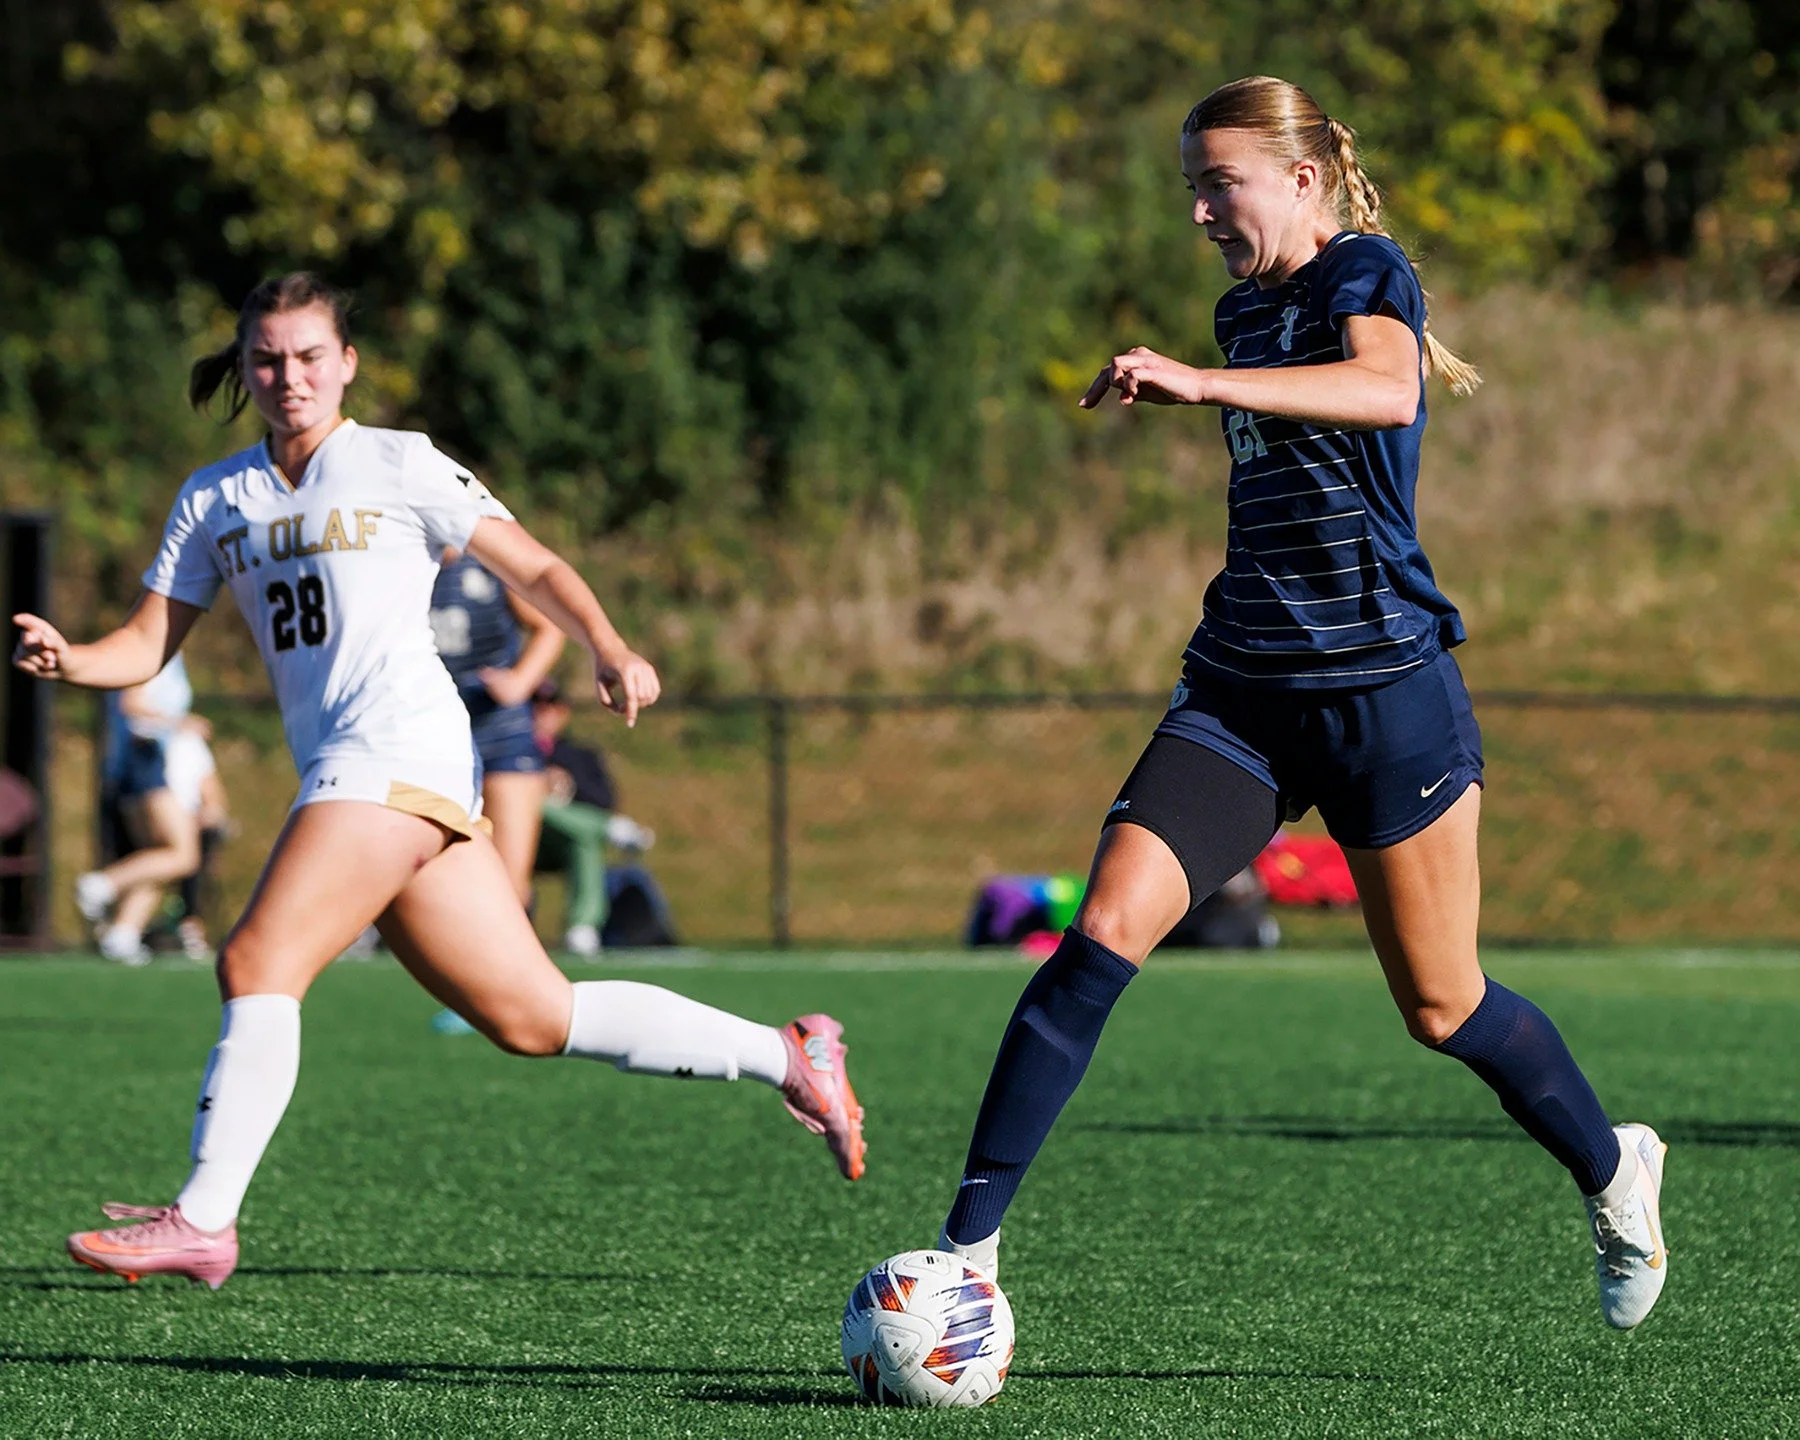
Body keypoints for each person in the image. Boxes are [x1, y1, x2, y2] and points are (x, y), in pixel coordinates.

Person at [931, 77, 1667, 1331]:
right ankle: (965, 1254)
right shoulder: (1243, 309)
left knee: (1444, 1007)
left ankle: (1614, 1165)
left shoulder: (1362, 272)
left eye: (1222, 182)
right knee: (1099, 934)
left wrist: (1207, 388)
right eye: (1193, 189)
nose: (1205, 211)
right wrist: (1215, 372)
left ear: (1303, 179)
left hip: (1388, 696)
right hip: (1242, 697)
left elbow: (1384, 389)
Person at [14, 271, 865, 1291]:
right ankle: (793, 1055)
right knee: (533, 1018)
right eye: (270, 359)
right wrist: (73, 658)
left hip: (396, 750)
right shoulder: (215, 498)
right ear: (245, 367)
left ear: (348, 365)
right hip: (364, 772)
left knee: (255, 960)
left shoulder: (397, 463)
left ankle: (203, 1219)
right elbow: (147, 643)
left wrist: (605, 641)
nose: (291, 377)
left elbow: (535, 567)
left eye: (311, 356)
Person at [430, 549, 563, 903]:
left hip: (501, 733)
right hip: (430, 737)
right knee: (435, 879)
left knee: (508, 885)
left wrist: (520, 681)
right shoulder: (399, 560)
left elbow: (549, 627)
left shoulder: (489, 558)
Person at [78, 655, 216, 963]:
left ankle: (123, 934)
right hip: (144, 763)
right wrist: (181, 722)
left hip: (144, 764)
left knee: (159, 855)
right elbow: (131, 703)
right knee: (183, 854)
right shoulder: (152, 652)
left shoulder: (171, 656)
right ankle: (102, 884)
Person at [531, 678, 653, 955]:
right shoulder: (507, 751)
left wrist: (567, 785)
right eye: (534, 706)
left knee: (583, 840)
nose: (542, 713)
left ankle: (582, 927)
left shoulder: (578, 755)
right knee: (531, 801)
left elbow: (603, 799)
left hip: (558, 841)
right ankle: (611, 830)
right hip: (516, 839)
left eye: (550, 707)